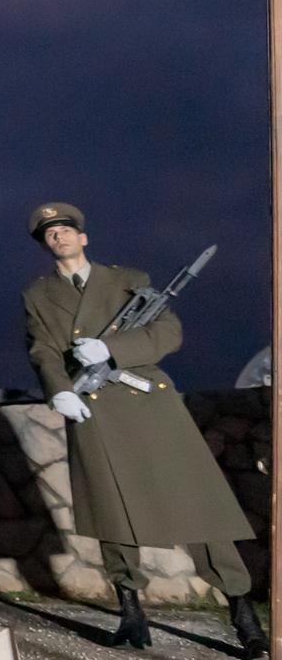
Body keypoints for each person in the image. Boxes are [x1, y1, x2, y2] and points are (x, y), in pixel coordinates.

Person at [23, 203, 264, 656]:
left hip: (148, 404)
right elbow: (42, 349)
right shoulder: (37, 294)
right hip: (91, 408)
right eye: (49, 234)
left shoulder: (127, 279)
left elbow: (168, 333)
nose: (59, 236)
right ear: (44, 245)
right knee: (112, 512)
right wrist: (58, 390)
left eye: (66, 229)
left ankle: (243, 615)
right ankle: (132, 614)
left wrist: (111, 350)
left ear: (83, 236)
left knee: (199, 507)